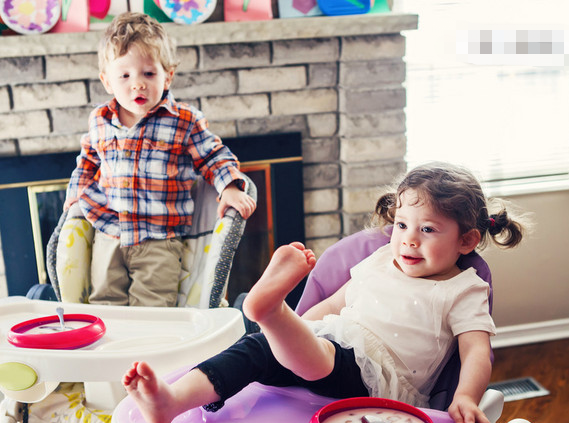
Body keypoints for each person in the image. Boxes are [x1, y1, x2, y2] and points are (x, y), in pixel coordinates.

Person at [122, 162, 526, 423]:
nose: (408, 241)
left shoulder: (464, 288)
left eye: (428, 229)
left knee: (322, 355)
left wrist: (467, 397)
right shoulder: (383, 259)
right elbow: (334, 304)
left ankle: (269, 309)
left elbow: (476, 350)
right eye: (402, 225)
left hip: (378, 379)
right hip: (331, 340)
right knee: (257, 352)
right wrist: (298, 327)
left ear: (467, 240)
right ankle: (172, 400)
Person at [63, 12, 256, 307]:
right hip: (108, 231)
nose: (137, 84)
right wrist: (75, 193)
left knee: (152, 308)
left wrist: (229, 186)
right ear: (107, 81)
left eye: (148, 74)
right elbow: (87, 161)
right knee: (105, 303)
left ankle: (148, 353)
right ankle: (114, 353)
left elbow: (213, 155)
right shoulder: (99, 120)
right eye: (125, 76)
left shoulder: (184, 120)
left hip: (159, 238)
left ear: (168, 75)